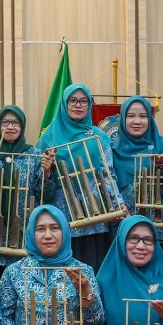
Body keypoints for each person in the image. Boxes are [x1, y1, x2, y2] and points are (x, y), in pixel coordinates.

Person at [37, 83, 117, 270]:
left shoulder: (99, 137)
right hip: (63, 219)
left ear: (89, 105)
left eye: (83, 101)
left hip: (96, 216)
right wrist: (47, 172)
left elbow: (108, 174)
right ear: (64, 104)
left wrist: (117, 201)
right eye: (72, 100)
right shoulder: (49, 137)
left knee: (94, 268)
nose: (78, 105)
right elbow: (38, 186)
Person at [0, 105, 54, 280]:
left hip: (23, 237)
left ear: (22, 127)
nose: (11, 126)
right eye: (5, 122)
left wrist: (48, 172)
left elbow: (45, 195)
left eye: (16, 123)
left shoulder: (34, 154)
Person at [107, 96, 163, 269]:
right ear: (123, 119)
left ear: (150, 118)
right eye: (131, 116)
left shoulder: (162, 146)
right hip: (124, 223)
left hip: (159, 226)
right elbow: (107, 183)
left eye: (143, 116)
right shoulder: (112, 149)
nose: (137, 121)